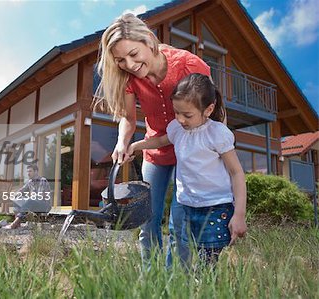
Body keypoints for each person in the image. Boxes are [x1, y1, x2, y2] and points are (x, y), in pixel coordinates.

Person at [94, 13, 211, 267]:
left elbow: (207, 118)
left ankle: (175, 282)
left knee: (180, 222)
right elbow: (128, 117)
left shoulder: (190, 66)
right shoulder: (128, 77)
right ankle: (152, 281)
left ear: (149, 40)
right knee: (147, 220)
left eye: (134, 54)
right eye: (121, 60)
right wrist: (122, 142)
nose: (130, 64)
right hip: (155, 150)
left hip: (189, 149)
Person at [128, 73, 247, 266]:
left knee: (208, 258)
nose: (181, 119)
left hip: (215, 206)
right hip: (186, 204)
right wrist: (136, 146)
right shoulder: (177, 128)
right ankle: (180, 283)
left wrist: (239, 214)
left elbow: (236, 172)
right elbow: (161, 140)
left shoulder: (217, 134)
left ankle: (206, 288)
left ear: (208, 109)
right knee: (184, 245)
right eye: (177, 112)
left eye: (187, 115)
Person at [0, 164, 52, 229]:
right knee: (17, 200)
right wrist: (15, 196)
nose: (28, 173)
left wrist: (27, 199)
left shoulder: (42, 181)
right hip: (34, 203)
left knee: (29, 201)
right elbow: (21, 190)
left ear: (36, 171)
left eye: (30, 171)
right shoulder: (30, 182)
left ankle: (13, 224)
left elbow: (40, 196)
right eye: (27, 172)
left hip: (44, 205)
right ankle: (18, 224)